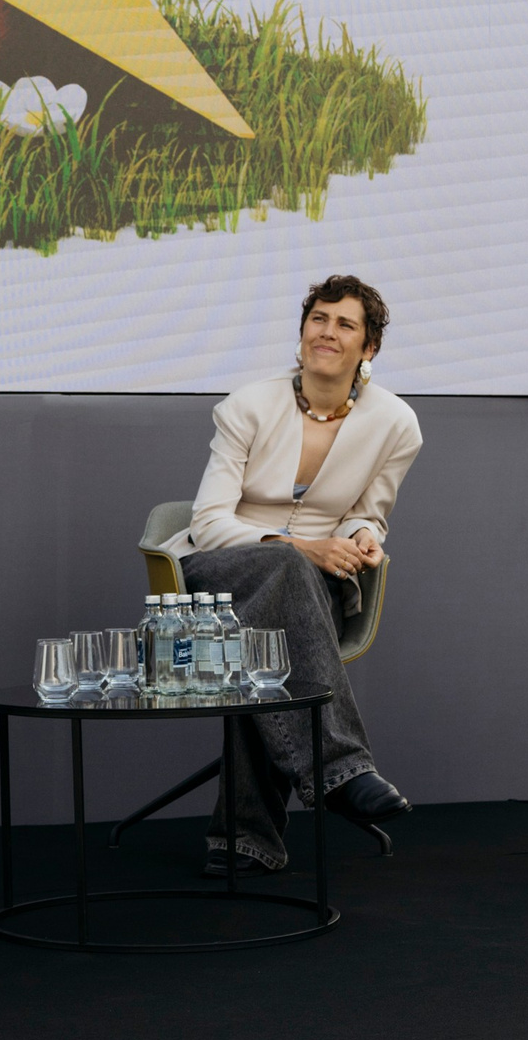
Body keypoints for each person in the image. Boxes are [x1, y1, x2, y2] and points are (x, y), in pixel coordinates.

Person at [173, 275, 422, 872]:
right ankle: (340, 768)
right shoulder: (247, 406)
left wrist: (362, 536)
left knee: (268, 647)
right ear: (303, 331)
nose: (327, 332)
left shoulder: (396, 424)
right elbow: (208, 522)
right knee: (285, 569)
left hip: (312, 586)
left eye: (345, 324)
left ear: (369, 347)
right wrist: (300, 547)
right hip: (221, 569)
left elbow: (370, 512)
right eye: (318, 319)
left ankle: (244, 840)